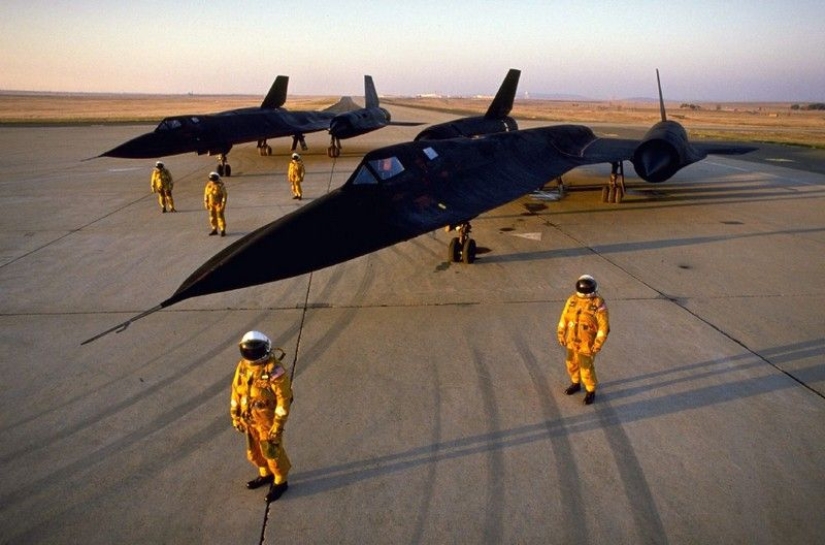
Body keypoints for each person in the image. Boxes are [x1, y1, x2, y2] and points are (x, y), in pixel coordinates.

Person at [230, 331, 293, 503]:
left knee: (272, 453)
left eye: (255, 352)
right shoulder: (243, 366)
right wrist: (235, 415)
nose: (251, 356)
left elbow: (283, 398)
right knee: (253, 452)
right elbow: (236, 391)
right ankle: (265, 473)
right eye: (248, 352)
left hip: (267, 422)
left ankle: (280, 481)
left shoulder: (274, 370)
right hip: (249, 419)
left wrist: (277, 425)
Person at [557, 274, 610, 405]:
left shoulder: (598, 303)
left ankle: (590, 390)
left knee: (586, 368)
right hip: (572, 340)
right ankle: (575, 383)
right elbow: (564, 317)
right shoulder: (572, 300)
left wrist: (598, 343)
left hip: (587, 343)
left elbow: (604, 326)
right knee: (571, 363)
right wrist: (561, 333)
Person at [203, 171, 227, 236]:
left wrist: (223, 204)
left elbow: (224, 195)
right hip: (211, 204)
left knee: (220, 216)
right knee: (212, 217)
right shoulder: (208, 185)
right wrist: (206, 202)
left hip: (218, 204)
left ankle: (222, 229)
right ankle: (214, 229)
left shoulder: (220, 186)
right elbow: (206, 194)